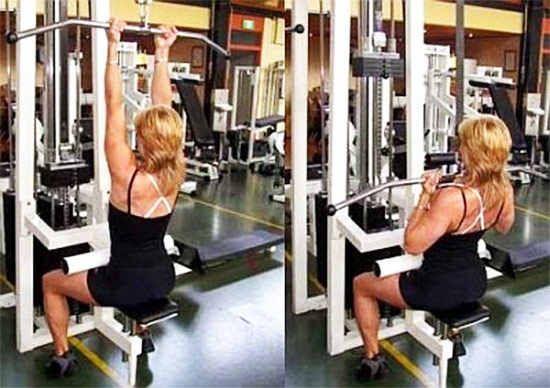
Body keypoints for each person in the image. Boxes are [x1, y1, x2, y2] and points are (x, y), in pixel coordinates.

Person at [41, 19, 185, 377]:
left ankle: (62, 355)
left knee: (50, 282)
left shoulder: (126, 173)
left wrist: (112, 45)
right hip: (163, 277)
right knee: (138, 275)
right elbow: (163, 107)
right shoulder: (177, 167)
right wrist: (162, 52)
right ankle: (143, 329)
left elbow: (113, 104)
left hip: (123, 284)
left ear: (146, 140)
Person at [352, 115, 515, 380]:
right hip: (475, 283)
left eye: (461, 144)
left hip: (437, 289)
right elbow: (503, 226)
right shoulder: (502, 188)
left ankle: (372, 359)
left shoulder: (452, 198)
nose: (458, 148)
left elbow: (412, 244)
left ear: (472, 151)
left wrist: (426, 195)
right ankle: (453, 333)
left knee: (361, 284)